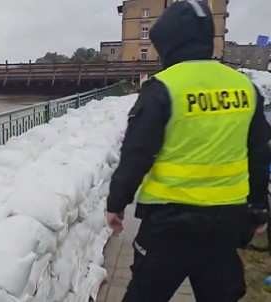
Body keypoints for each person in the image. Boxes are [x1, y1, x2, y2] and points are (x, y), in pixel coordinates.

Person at [105, 1, 271, 302]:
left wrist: (117, 202)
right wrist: (259, 206)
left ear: (169, 42)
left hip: (169, 222)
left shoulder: (164, 87)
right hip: (226, 222)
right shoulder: (245, 88)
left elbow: (137, 152)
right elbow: (260, 154)